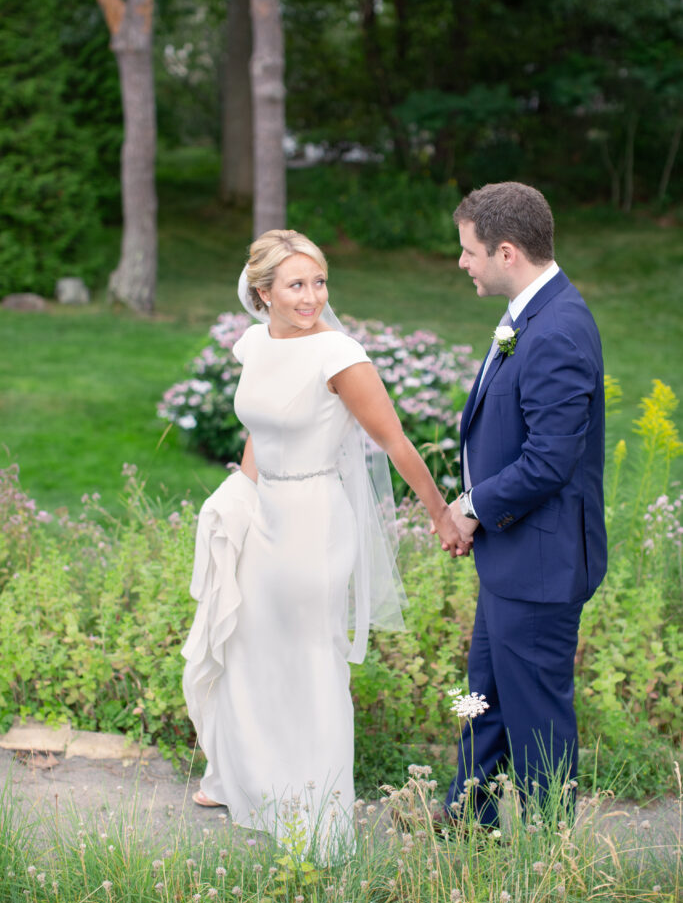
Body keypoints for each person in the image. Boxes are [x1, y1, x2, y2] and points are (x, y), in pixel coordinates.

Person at [182, 229, 461, 857]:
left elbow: (394, 443)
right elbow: (259, 427)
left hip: (314, 517)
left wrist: (441, 515)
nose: (312, 297)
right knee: (250, 641)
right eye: (296, 285)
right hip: (264, 511)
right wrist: (239, 492)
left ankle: (319, 807)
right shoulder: (254, 343)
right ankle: (248, 779)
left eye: (319, 282)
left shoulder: (339, 355)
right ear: (263, 293)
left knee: (312, 652)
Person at [441, 182, 607, 827]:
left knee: (538, 715)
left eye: (469, 251)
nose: (462, 263)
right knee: (477, 696)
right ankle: (465, 814)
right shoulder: (527, 314)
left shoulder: (558, 329)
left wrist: (472, 507)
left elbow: (549, 459)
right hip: (512, 559)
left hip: (541, 564)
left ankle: (547, 853)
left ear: (506, 252)